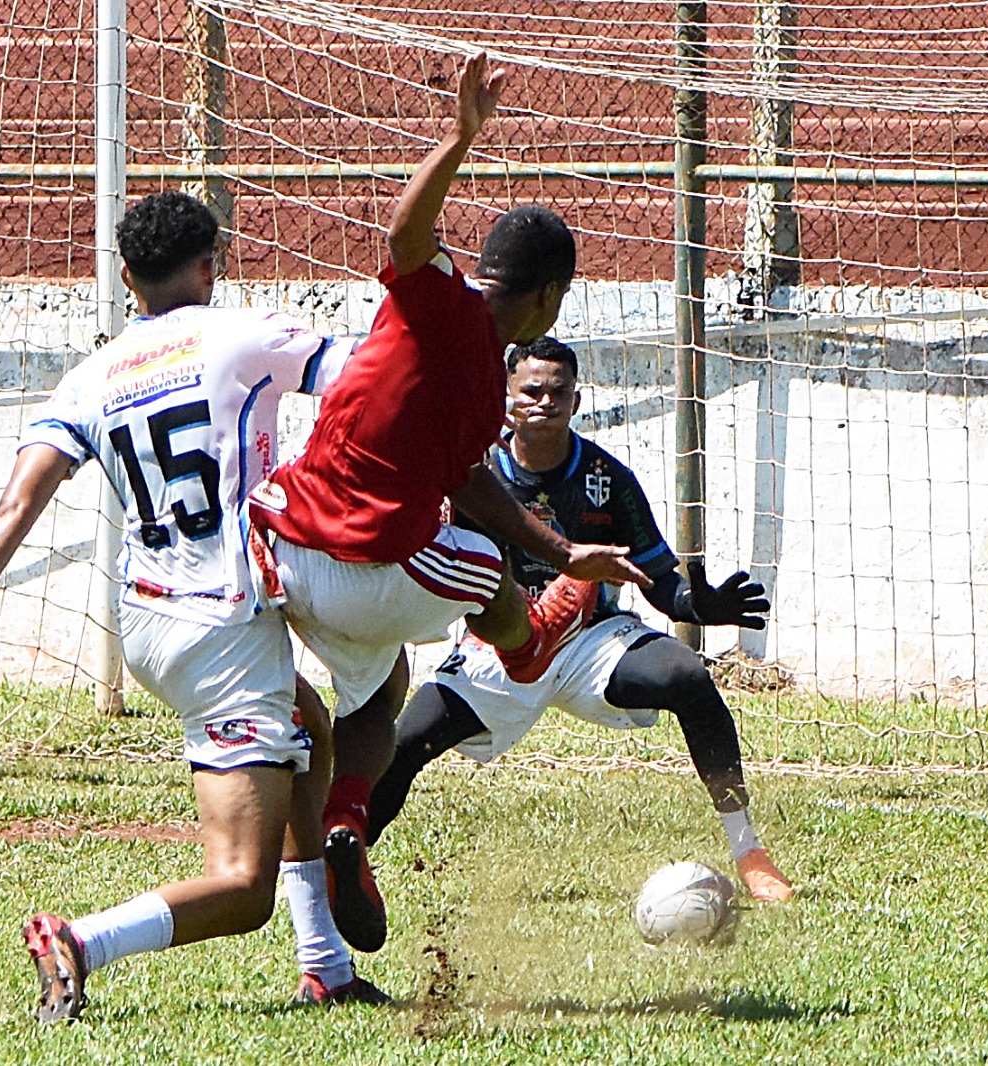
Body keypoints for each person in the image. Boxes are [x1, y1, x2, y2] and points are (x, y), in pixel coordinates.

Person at [0, 191, 388, 1021]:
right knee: (241, 886)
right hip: (222, 625)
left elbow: (18, 501)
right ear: (211, 264)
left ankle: (325, 969)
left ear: (126, 276)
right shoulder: (244, 333)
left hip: (148, 624)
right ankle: (80, 941)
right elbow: (369, 381)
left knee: (314, 731)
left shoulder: (94, 373)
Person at [247, 54, 648, 955]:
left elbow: (472, 480)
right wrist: (459, 139)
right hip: (363, 557)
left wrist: (566, 547)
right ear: (550, 296)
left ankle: (349, 821)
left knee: (380, 685)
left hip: (286, 553)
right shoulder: (447, 306)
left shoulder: (478, 375)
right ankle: (528, 637)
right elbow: (403, 234)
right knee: (488, 572)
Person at [365, 336, 794, 903]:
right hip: (499, 647)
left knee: (687, 678)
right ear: (507, 399)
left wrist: (699, 606)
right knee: (404, 745)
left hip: (591, 640)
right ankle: (337, 873)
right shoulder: (472, 474)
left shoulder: (605, 478)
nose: (545, 402)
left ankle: (748, 849)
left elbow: (658, 579)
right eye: (532, 390)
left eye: (558, 392)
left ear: (577, 400)